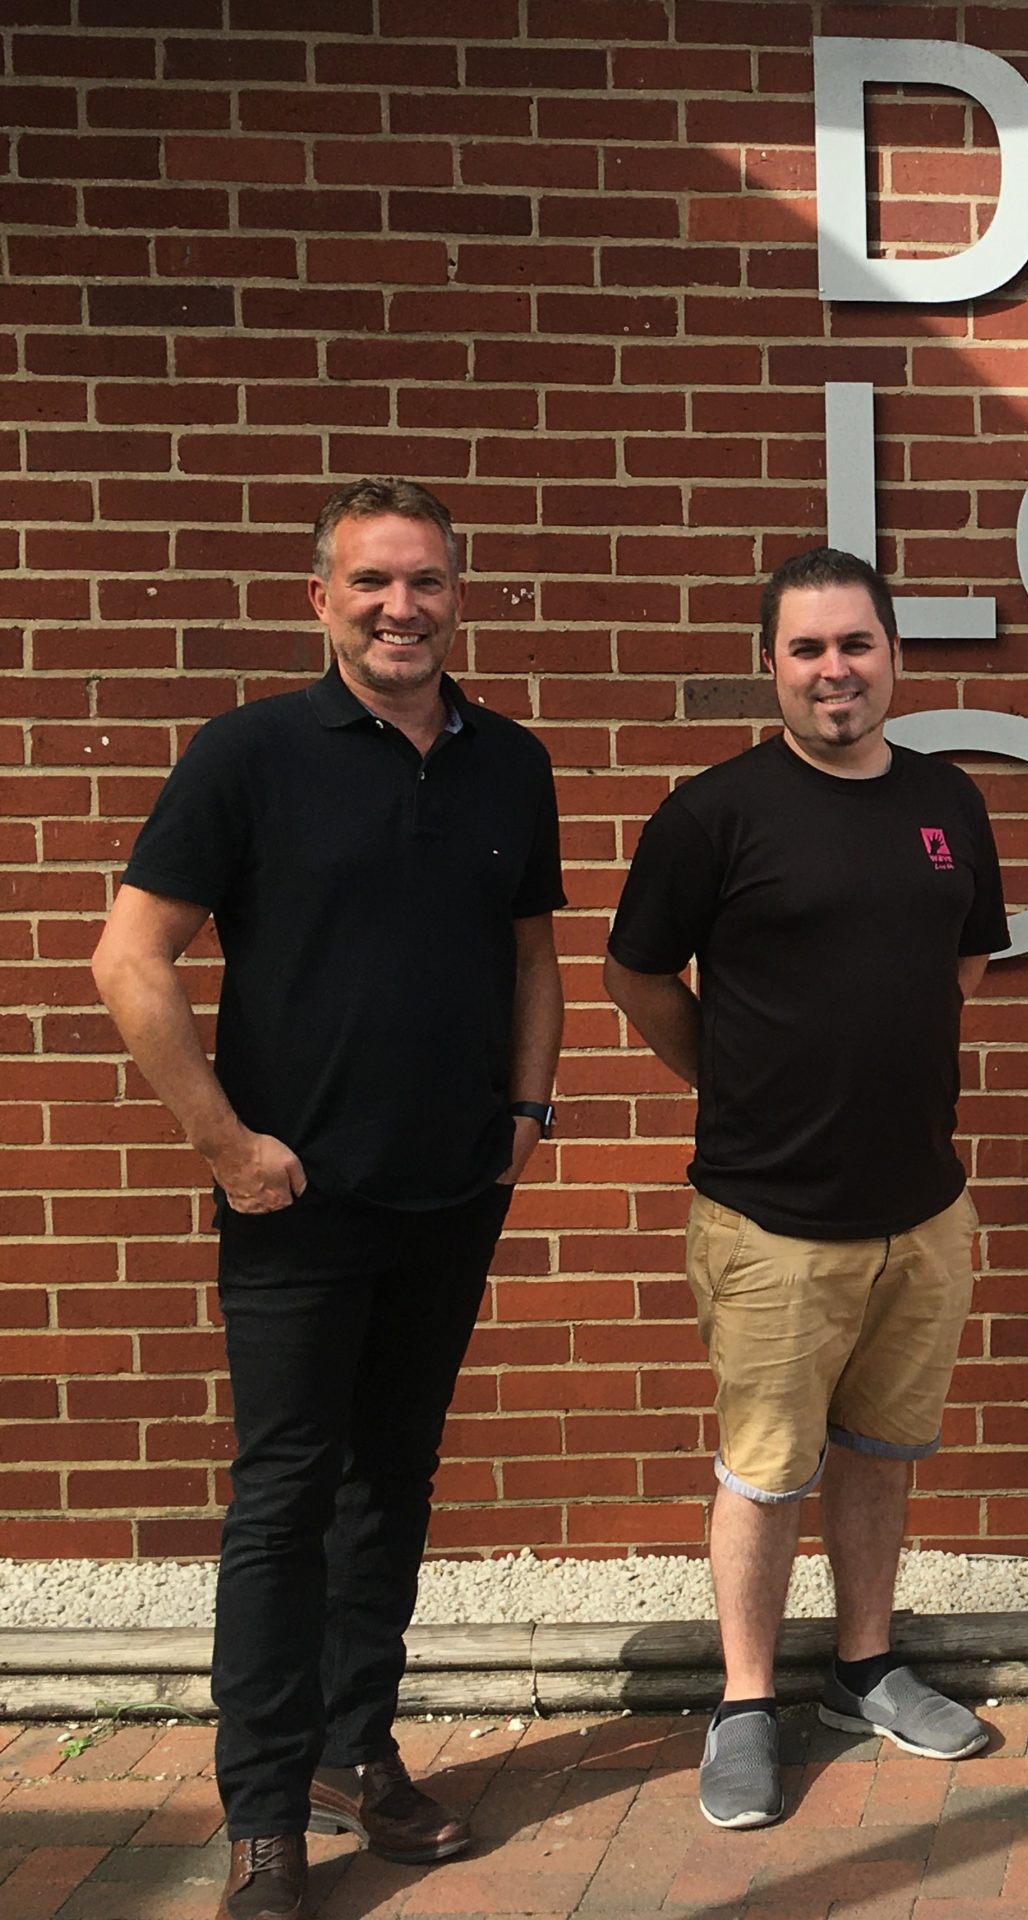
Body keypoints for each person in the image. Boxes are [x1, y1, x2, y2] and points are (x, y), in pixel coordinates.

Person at [91, 480, 564, 1920]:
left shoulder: (508, 760)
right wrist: (231, 1148)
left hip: (447, 1195)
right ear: (322, 600)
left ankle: (363, 1747)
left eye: (424, 582)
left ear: (456, 596)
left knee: (394, 1487)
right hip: (296, 1207)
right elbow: (128, 962)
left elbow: (534, 956)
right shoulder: (249, 754)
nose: (399, 608)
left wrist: (529, 1113)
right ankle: (264, 1809)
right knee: (286, 1499)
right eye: (371, 584)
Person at [603, 547, 1009, 1829]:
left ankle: (866, 1666)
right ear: (768, 666)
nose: (835, 671)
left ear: (895, 655)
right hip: (770, 1221)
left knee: (883, 1453)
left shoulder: (949, 801)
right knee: (767, 1469)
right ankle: (743, 1704)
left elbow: (964, 968)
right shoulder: (712, 813)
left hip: (924, 1210)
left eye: (856, 645)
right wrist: (733, 1081)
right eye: (807, 650)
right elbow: (636, 976)